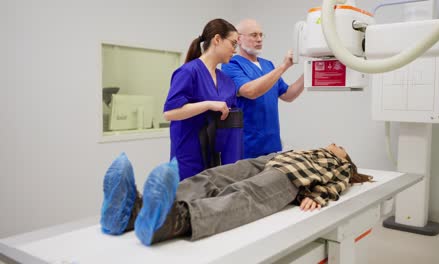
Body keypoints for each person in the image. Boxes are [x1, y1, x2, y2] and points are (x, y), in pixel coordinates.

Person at [100, 143, 373, 246]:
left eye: (340, 146)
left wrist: (318, 194)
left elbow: (338, 184)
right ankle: (134, 211)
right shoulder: (308, 148)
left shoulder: (342, 166)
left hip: (290, 178)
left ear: (345, 158)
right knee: (214, 176)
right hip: (271, 159)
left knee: (245, 193)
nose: (335, 144)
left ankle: (173, 220)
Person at [163, 18, 239, 181]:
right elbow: (170, 113)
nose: (235, 50)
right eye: (233, 44)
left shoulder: (227, 82)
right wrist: (208, 104)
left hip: (217, 161)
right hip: (188, 159)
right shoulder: (188, 72)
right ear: (217, 39)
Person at [221, 19, 305, 159]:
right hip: (247, 146)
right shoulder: (231, 65)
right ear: (239, 39)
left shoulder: (268, 65)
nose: (259, 39)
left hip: (272, 145)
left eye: (261, 35)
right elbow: (250, 91)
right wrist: (283, 66)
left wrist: (309, 72)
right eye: (254, 35)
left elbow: (288, 95)